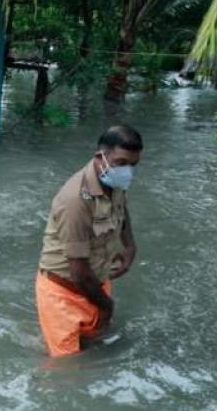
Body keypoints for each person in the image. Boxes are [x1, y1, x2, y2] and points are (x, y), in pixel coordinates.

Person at [35, 125, 143, 357]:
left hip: (96, 282)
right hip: (63, 293)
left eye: (133, 165)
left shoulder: (114, 183)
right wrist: (107, 306)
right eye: (122, 163)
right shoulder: (75, 199)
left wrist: (130, 245)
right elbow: (79, 271)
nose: (128, 172)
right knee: (68, 369)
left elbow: (122, 209)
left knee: (94, 347)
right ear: (100, 157)